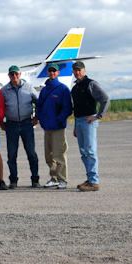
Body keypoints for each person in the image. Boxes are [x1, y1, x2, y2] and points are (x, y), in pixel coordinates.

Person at [71, 61, 110, 191]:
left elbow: (105, 99)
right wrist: (76, 125)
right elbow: (76, 108)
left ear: (84, 70)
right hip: (79, 121)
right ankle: (89, 179)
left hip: (89, 121)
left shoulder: (91, 84)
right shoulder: (75, 88)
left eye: (79, 70)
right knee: (83, 152)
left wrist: (98, 116)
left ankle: (94, 181)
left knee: (90, 151)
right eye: (75, 70)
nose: (77, 72)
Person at [0, 65, 40, 189]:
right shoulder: (4, 90)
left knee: (31, 153)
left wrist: (36, 117)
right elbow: (0, 108)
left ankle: (35, 179)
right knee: (12, 154)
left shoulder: (28, 87)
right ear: (9, 76)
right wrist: (2, 122)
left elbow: (38, 102)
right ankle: (13, 180)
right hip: (11, 124)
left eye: (16, 74)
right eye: (12, 74)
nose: (14, 76)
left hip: (26, 123)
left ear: (20, 74)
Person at [36, 63, 72, 189]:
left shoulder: (63, 89)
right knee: (49, 155)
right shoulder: (44, 90)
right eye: (50, 71)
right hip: (47, 128)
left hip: (58, 128)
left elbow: (67, 108)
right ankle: (54, 177)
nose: (51, 73)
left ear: (58, 73)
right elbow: (39, 106)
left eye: (54, 71)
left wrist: (58, 120)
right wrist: (41, 118)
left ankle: (63, 179)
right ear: (47, 73)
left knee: (59, 154)